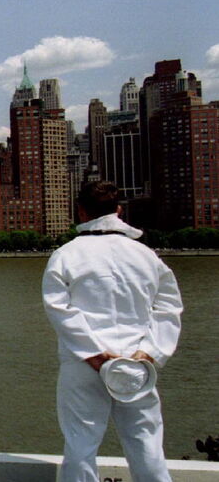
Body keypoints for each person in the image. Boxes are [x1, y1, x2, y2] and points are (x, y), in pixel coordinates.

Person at [43, 181, 183, 482]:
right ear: (119, 211)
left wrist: (94, 355)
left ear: (81, 212)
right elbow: (169, 307)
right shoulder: (147, 256)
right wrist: (151, 352)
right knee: (147, 444)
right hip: (136, 362)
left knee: (80, 443)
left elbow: (58, 308)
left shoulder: (65, 255)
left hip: (83, 364)